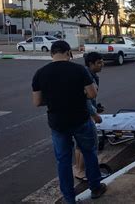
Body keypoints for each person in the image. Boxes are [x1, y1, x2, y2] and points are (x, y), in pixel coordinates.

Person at [32, 41, 107, 203]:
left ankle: (69, 198)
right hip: (80, 119)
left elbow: (37, 102)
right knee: (89, 153)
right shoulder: (79, 70)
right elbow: (92, 94)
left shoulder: (40, 73)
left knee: (63, 161)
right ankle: (95, 187)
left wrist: (54, 99)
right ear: (68, 53)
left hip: (57, 123)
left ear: (51, 54)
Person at [74, 52, 104, 181]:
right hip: (85, 113)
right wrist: (94, 114)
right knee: (88, 144)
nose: (102, 65)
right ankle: (82, 171)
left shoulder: (91, 75)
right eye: (99, 63)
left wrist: (96, 107)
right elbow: (85, 99)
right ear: (91, 64)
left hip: (84, 111)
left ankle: (79, 169)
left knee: (80, 145)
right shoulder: (87, 76)